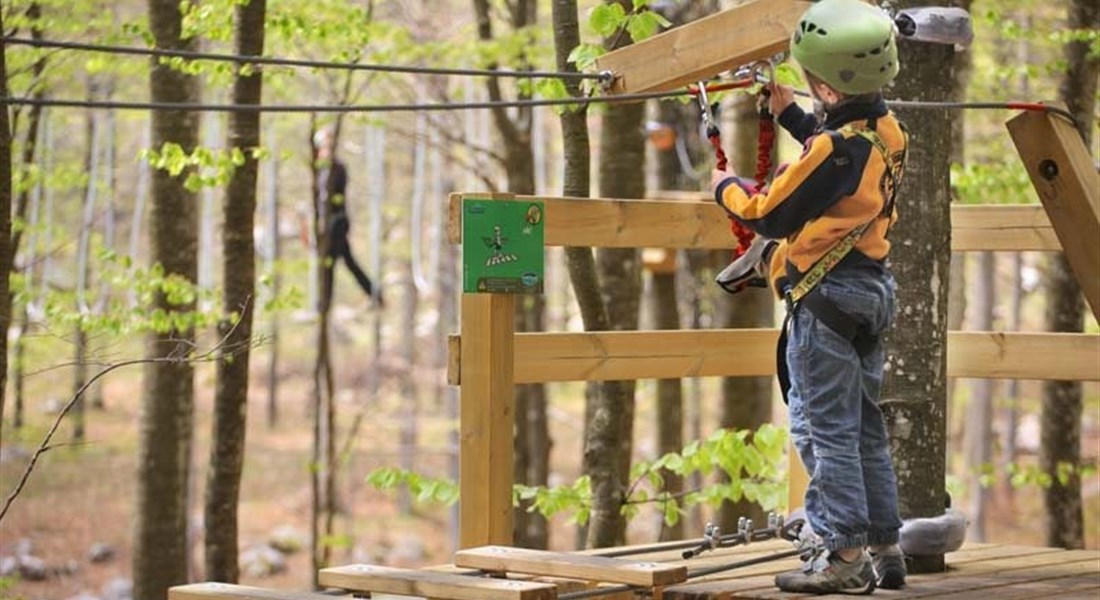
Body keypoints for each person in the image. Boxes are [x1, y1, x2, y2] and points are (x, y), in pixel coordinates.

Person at [710, 0, 909, 594]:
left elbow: (768, 213)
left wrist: (725, 187)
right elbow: (841, 160)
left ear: (825, 84)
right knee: (863, 427)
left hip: (826, 299)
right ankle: (884, 544)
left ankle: (843, 555)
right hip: (870, 292)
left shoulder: (833, 150)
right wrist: (790, 113)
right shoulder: (889, 131)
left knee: (824, 432)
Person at [314, 128, 384, 310]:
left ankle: (323, 305)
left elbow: (334, 196)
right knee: (345, 262)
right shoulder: (321, 170)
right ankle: (374, 294)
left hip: (337, 222)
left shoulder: (337, 168)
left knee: (330, 264)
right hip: (329, 222)